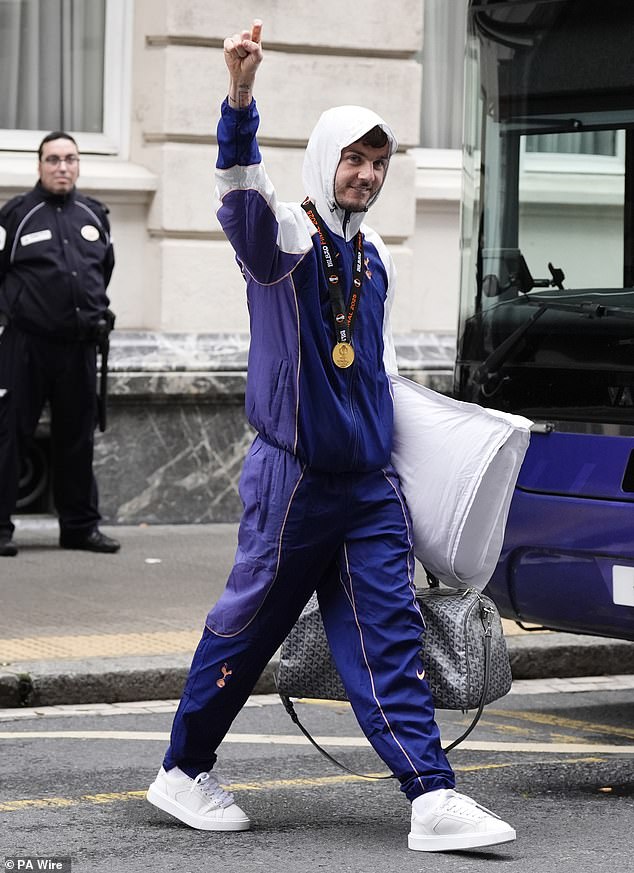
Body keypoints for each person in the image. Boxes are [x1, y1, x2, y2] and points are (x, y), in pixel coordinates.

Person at [146, 20, 516, 853]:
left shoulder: (375, 254)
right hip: (294, 481)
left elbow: (377, 373)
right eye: (355, 159)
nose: (368, 175)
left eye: (380, 163)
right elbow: (239, 187)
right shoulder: (281, 240)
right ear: (326, 161)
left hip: (367, 486)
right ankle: (181, 766)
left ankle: (431, 795)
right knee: (249, 626)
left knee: (388, 633)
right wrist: (240, 97)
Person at [0, 131, 120, 557]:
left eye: (70, 158)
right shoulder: (15, 216)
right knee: (9, 435)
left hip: (79, 347)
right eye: (53, 159)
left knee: (77, 438)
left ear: (79, 164)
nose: (62, 167)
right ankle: (0, 529)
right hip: (26, 346)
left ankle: (79, 527)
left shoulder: (94, 214)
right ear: (39, 166)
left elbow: (101, 271)